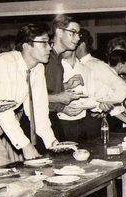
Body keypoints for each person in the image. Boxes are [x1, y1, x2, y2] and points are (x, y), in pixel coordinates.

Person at [0, 23, 59, 166]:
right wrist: (25, 145)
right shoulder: (7, 62)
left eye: (49, 43)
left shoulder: (37, 67)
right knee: (1, 169)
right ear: (27, 46)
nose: (50, 48)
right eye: (44, 43)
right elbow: (3, 112)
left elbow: (38, 110)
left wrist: (52, 142)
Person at [44, 14, 84, 143]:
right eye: (73, 32)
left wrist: (66, 85)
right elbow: (30, 95)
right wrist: (59, 99)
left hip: (52, 118)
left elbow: (48, 90)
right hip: (41, 121)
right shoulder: (45, 57)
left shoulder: (58, 59)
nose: (78, 38)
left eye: (79, 34)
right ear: (59, 32)